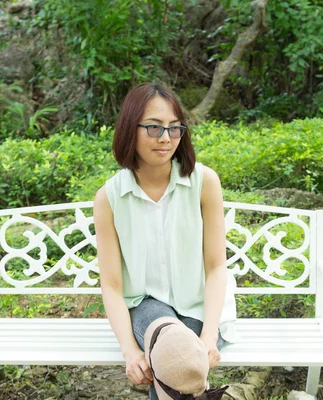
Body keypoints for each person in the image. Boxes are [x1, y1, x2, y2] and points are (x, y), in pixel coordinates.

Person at [93, 82, 238, 400]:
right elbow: (113, 286)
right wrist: (130, 351)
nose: (165, 138)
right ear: (130, 129)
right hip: (144, 307)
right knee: (172, 347)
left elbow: (215, 268)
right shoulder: (110, 197)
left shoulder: (203, 182)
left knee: (175, 356)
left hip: (200, 306)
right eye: (154, 128)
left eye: (175, 129)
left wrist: (210, 337)